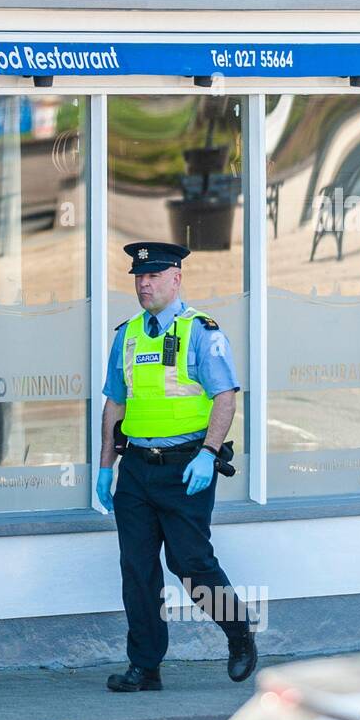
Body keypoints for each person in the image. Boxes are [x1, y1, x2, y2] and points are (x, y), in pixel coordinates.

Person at [96, 241, 257, 692]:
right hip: (136, 471)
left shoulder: (201, 332)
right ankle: (145, 667)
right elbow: (115, 401)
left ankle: (239, 633)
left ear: (176, 278)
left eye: (152, 276)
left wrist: (209, 452)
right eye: (138, 277)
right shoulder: (127, 334)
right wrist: (106, 466)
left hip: (186, 468)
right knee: (138, 569)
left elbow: (226, 395)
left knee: (191, 565)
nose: (143, 284)